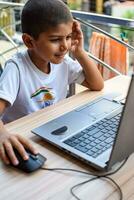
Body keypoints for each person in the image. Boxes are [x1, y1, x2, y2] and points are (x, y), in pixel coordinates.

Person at [0, 0, 104, 166]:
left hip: (53, 132)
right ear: (29, 41)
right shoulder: (16, 68)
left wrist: (80, 52)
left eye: (68, 37)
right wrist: (2, 135)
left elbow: (97, 84)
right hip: (25, 139)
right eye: (55, 39)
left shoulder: (63, 62)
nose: (65, 46)